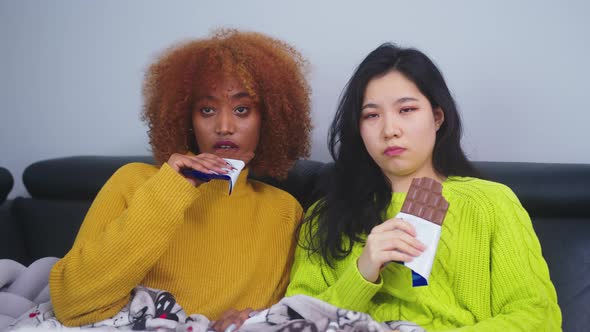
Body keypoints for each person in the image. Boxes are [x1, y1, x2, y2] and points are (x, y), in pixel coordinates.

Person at [286, 43, 561, 331]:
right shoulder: (325, 216)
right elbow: (292, 322)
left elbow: (537, 316)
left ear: (437, 117)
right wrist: (362, 272)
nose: (390, 129)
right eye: (371, 115)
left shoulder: (491, 203)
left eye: (406, 109)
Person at [49, 29, 312, 328]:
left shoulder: (284, 211)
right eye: (207, 109)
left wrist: (250, 318)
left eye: (242, 109)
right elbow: (71, 304)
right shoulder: (134, 181)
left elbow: (282, 313)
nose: (224, 126)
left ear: (270, 119)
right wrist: (171, 191)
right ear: (187, 119)